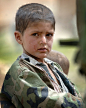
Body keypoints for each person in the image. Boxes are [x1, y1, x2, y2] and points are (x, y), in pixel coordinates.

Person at [1, 3, 83, 108]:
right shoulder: (20, 73)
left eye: (48, 35)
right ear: (18, 37)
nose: (43, 41)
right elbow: (53, 102)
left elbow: (73, 93)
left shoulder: (53, 66)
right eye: (35, 34)